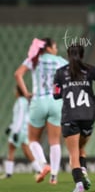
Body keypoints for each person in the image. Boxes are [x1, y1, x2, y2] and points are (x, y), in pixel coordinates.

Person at [53, 43, 95, 192]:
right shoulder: (90, 69)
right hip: (89, 114)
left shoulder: (61, 72)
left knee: (73, 153)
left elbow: (56, 94)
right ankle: (83, 172)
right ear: (82, 55)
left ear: (68, 55)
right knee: (81, 148)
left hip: (70, 115)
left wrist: (66, 88)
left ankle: (79, 185)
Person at [14, 38, 68, 184]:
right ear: (49, 48)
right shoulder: (60, 61)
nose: (56, 49)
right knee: (55, 141)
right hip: (56, 101)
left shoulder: (33, 59)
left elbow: (18, 74)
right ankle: (54, 177)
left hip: (38, 101)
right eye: (55, 46)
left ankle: (44, 165)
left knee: (32, 139)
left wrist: (26, 93)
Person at [1, 86, 43, 179]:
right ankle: (39, 170)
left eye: (15, 90)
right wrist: (10, 127)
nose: (14, 92)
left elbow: (19, 117)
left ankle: (8, 173)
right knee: (27, 151)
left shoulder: (20, 101)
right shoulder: (25, 101)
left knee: (11, 148)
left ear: (18, 91)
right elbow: (23, 117)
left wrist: (15, 131)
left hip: (19, 130)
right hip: (25, 129)